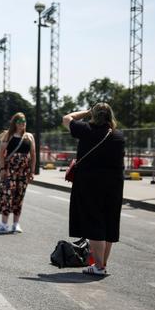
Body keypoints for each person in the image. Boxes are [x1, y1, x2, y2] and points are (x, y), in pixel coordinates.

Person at [62, 103, 125, 276]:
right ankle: (102, 264)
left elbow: (67, 118)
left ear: (94, 115)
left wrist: (87, 112)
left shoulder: (86, 130)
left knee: (94, 223)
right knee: (109, 223)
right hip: (114, 185)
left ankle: (98, 266)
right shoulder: (119, 136)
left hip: (90, 184)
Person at [0, 112, 36, 234]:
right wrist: (2, 169)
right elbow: (1, 154)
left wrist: (32, 171)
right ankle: (4, 224)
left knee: (19, 196)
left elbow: (33, 155)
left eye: (24, 122)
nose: (22, 124)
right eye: (19, 122)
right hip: (9, 171)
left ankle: (16, 224)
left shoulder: (29, 137)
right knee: (7, 195)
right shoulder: (9, 135)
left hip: (24, 171)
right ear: (15, 123)